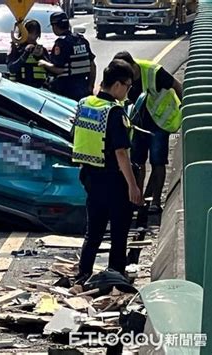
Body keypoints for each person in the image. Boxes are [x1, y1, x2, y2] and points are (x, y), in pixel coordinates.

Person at [72, 59, 143, 284]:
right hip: (114, 179)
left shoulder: (85, 104)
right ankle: (114, 277)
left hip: (90, 177)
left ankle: (83, 274)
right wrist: (133, 186)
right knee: (119, 232)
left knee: (93, 232)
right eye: (128, 86)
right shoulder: (114, 113)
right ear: (118, 85)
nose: (128, 91)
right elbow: (121, 154)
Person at [113, 51, 183, 214]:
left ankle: (156, 202)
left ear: (132, 65)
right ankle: (138, 201)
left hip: (159, 123)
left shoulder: (153, 72)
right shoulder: (122, 78)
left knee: (158, 161)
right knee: (137, 162)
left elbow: (177, 86)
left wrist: (184, 107)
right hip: (138, 124)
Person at [38, 12, 96, 101]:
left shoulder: (61, 43)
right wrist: (90, 86)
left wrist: (43, 63)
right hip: (84, 87)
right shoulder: (82, 40)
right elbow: (93, 65)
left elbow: (59, 69)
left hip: (67, 90)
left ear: (55, 27)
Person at [6, 19, 49, 88]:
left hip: (39, 90)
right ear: (23, 33)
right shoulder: (16, 49)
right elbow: (12, 68)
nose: (32, 36)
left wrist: (40, 57)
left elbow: (51, 70)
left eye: (35, 33)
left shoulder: (41, 50)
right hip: (19, 88)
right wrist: (25, 53)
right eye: (30, 33)